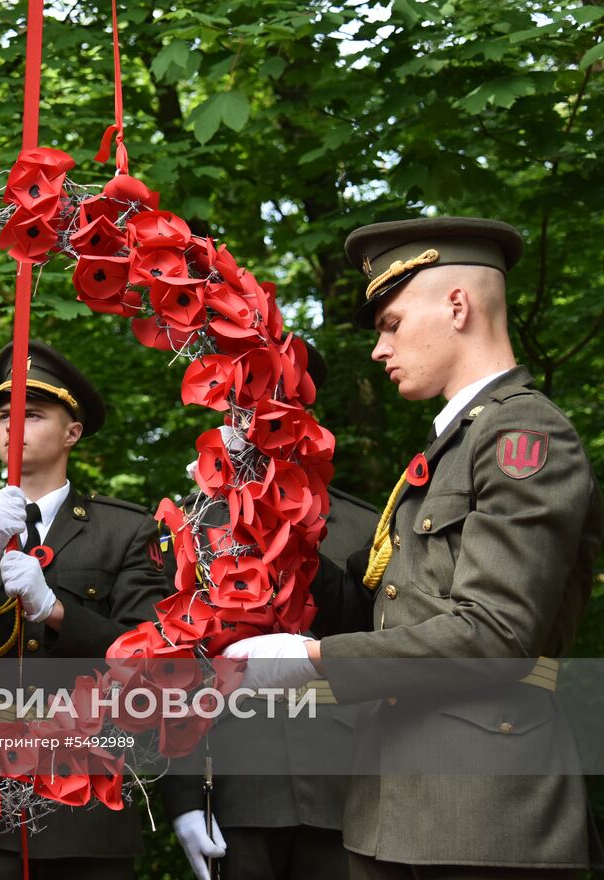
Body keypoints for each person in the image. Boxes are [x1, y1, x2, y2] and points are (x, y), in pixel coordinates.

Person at [223, 217, 604, 879]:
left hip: (484, 813)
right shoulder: (445, 450)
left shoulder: (523, 435)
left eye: (391, 323)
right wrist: (268, 502)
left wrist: (311, 660)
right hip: (392, 807)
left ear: (457, 306)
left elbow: (496, 634)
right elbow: (386, 609)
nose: (380, 348)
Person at [0, 340, 170, 879]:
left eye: (32, 414)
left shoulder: (125, 531)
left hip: (85, 804)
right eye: (2, 416)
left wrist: (56, 610)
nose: (11, 428)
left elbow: (153, 663)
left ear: (72, 432)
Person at [165, 342, 378, 880]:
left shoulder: (361, 525)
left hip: (345, 782)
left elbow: (374, 638)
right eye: (242, 401)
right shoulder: (191, 525)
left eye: (271, 399)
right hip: (235, 782)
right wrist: (184, 795)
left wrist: (291, 531)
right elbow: (173, 667)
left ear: (299, 416)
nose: (253, 416)